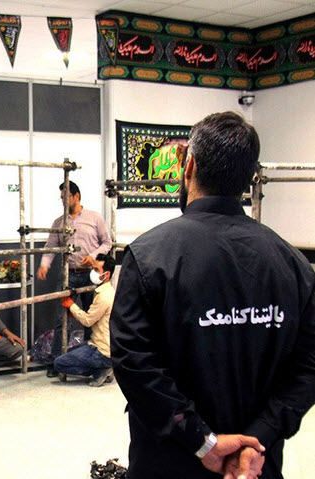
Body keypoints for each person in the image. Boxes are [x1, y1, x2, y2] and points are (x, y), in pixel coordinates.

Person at [111, 111, 315, 479]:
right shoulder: (293, 264)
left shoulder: (148, 256)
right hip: (254, 466)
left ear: (188, 166)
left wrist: (202, 441)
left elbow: (134, 364)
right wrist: (260, 435)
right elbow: (308, 367)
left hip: (169, 464)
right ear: (250, 177)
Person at [37, 180, 112, 377]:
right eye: (61, 198)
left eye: (66, 197)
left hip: (90, 275)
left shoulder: (95, 218)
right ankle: (56, 362)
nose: (63, 201)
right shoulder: (58, 223)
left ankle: (91, 360)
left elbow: (107, 243)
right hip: (68, 273)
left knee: (91, 317)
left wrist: (93, 256)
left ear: (77, 196)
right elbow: (50, 247)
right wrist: (44, 265)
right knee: (61, 319)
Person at [54, 253, 115, 387]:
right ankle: (103, 366)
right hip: (100, 344)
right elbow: (94, 316)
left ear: (107, 274)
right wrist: (74, 312)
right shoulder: (107, 291)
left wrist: (71, 305)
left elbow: (88, 321)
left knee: (59, 363)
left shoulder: (104, 296)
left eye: (97, 270)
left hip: (101, 350)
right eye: (93, 268)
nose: (93, 273)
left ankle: (101, 369)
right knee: (69, 353)